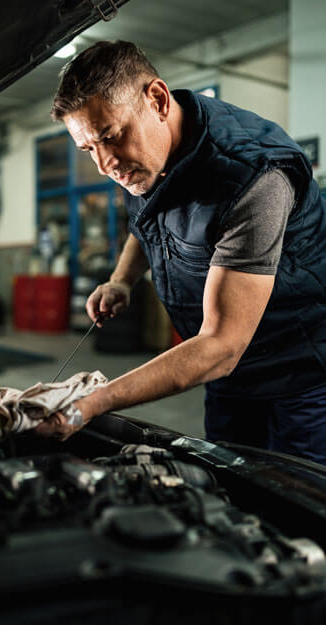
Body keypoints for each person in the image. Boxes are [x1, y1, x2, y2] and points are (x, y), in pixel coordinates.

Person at [35, 40, 326, 464]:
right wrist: (122, 280)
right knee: (230, 485)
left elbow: (222, 345)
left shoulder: (253, 179)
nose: (104, 165)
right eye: (88, 149)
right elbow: (148, 220)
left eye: (110, 137)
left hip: (300, 375)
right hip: (229, 379)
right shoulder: (144, 157)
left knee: (295, 500)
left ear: (157, 99)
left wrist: (91, 403)